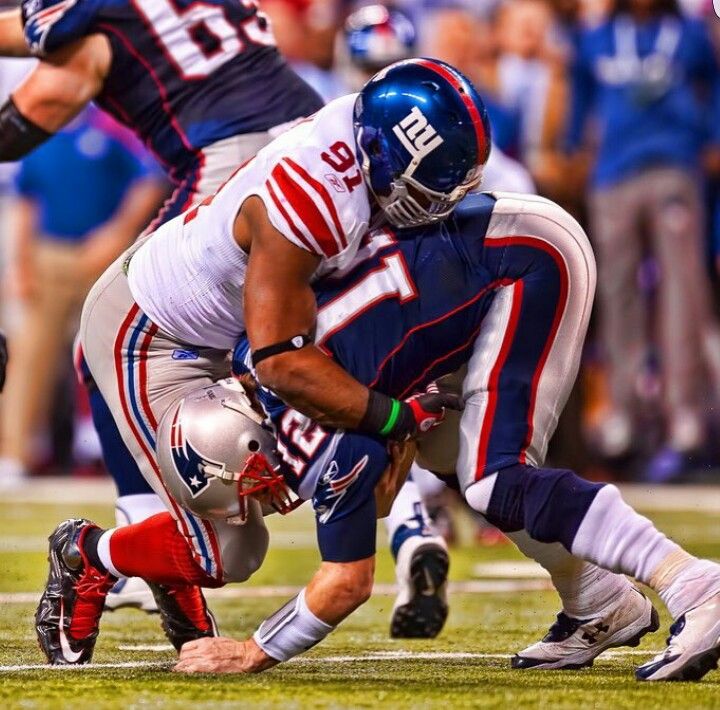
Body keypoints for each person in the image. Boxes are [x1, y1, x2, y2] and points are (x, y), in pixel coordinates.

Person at [45, 190, 720, 681]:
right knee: (453, 454)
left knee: (496, 477)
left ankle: (695, 585)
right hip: (481, 257)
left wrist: (254, 651)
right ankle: (596, 601)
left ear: (250, 446)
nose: (266, 504)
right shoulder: (259, 360)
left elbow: (345, 583)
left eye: (248, 490)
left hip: (523, 261)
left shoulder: (321, 439)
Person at [33, 59, 491, 665]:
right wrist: (391, 418)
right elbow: (281, 363)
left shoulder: (362, 141)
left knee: (286, 474)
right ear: (384, 157)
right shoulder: (313, 200)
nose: (439, 206)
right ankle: (87, 554)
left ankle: (172, 562)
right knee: (229, 553)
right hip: (153, 337)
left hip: (233, 337)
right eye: (427, 189)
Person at [0, 0, 324, 611]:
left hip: (233, 155)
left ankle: (147, 530)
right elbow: (33, 30)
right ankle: (414, 508)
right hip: (314, 145)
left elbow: (48, 96)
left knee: (108, 334)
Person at [567, 0, 720, 476]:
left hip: (675, 164)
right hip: (612, 173)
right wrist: (573, 147)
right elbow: (580, 96)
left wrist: (713, 136)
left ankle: (684, 411)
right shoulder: (595, 38)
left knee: (683, 291)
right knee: (616, 293)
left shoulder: (690, 33)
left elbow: (714, 84)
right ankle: (623, 409)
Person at [0, 105, 166, 486]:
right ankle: (14, 452)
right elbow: (25, 201)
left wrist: (118, 233)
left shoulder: (112, 124)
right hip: (49, 256)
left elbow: (149, 180)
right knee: (30, 356)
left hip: (105, 259)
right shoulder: (36, 137)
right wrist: (20, 263)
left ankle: (121, 455)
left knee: (113, 355)